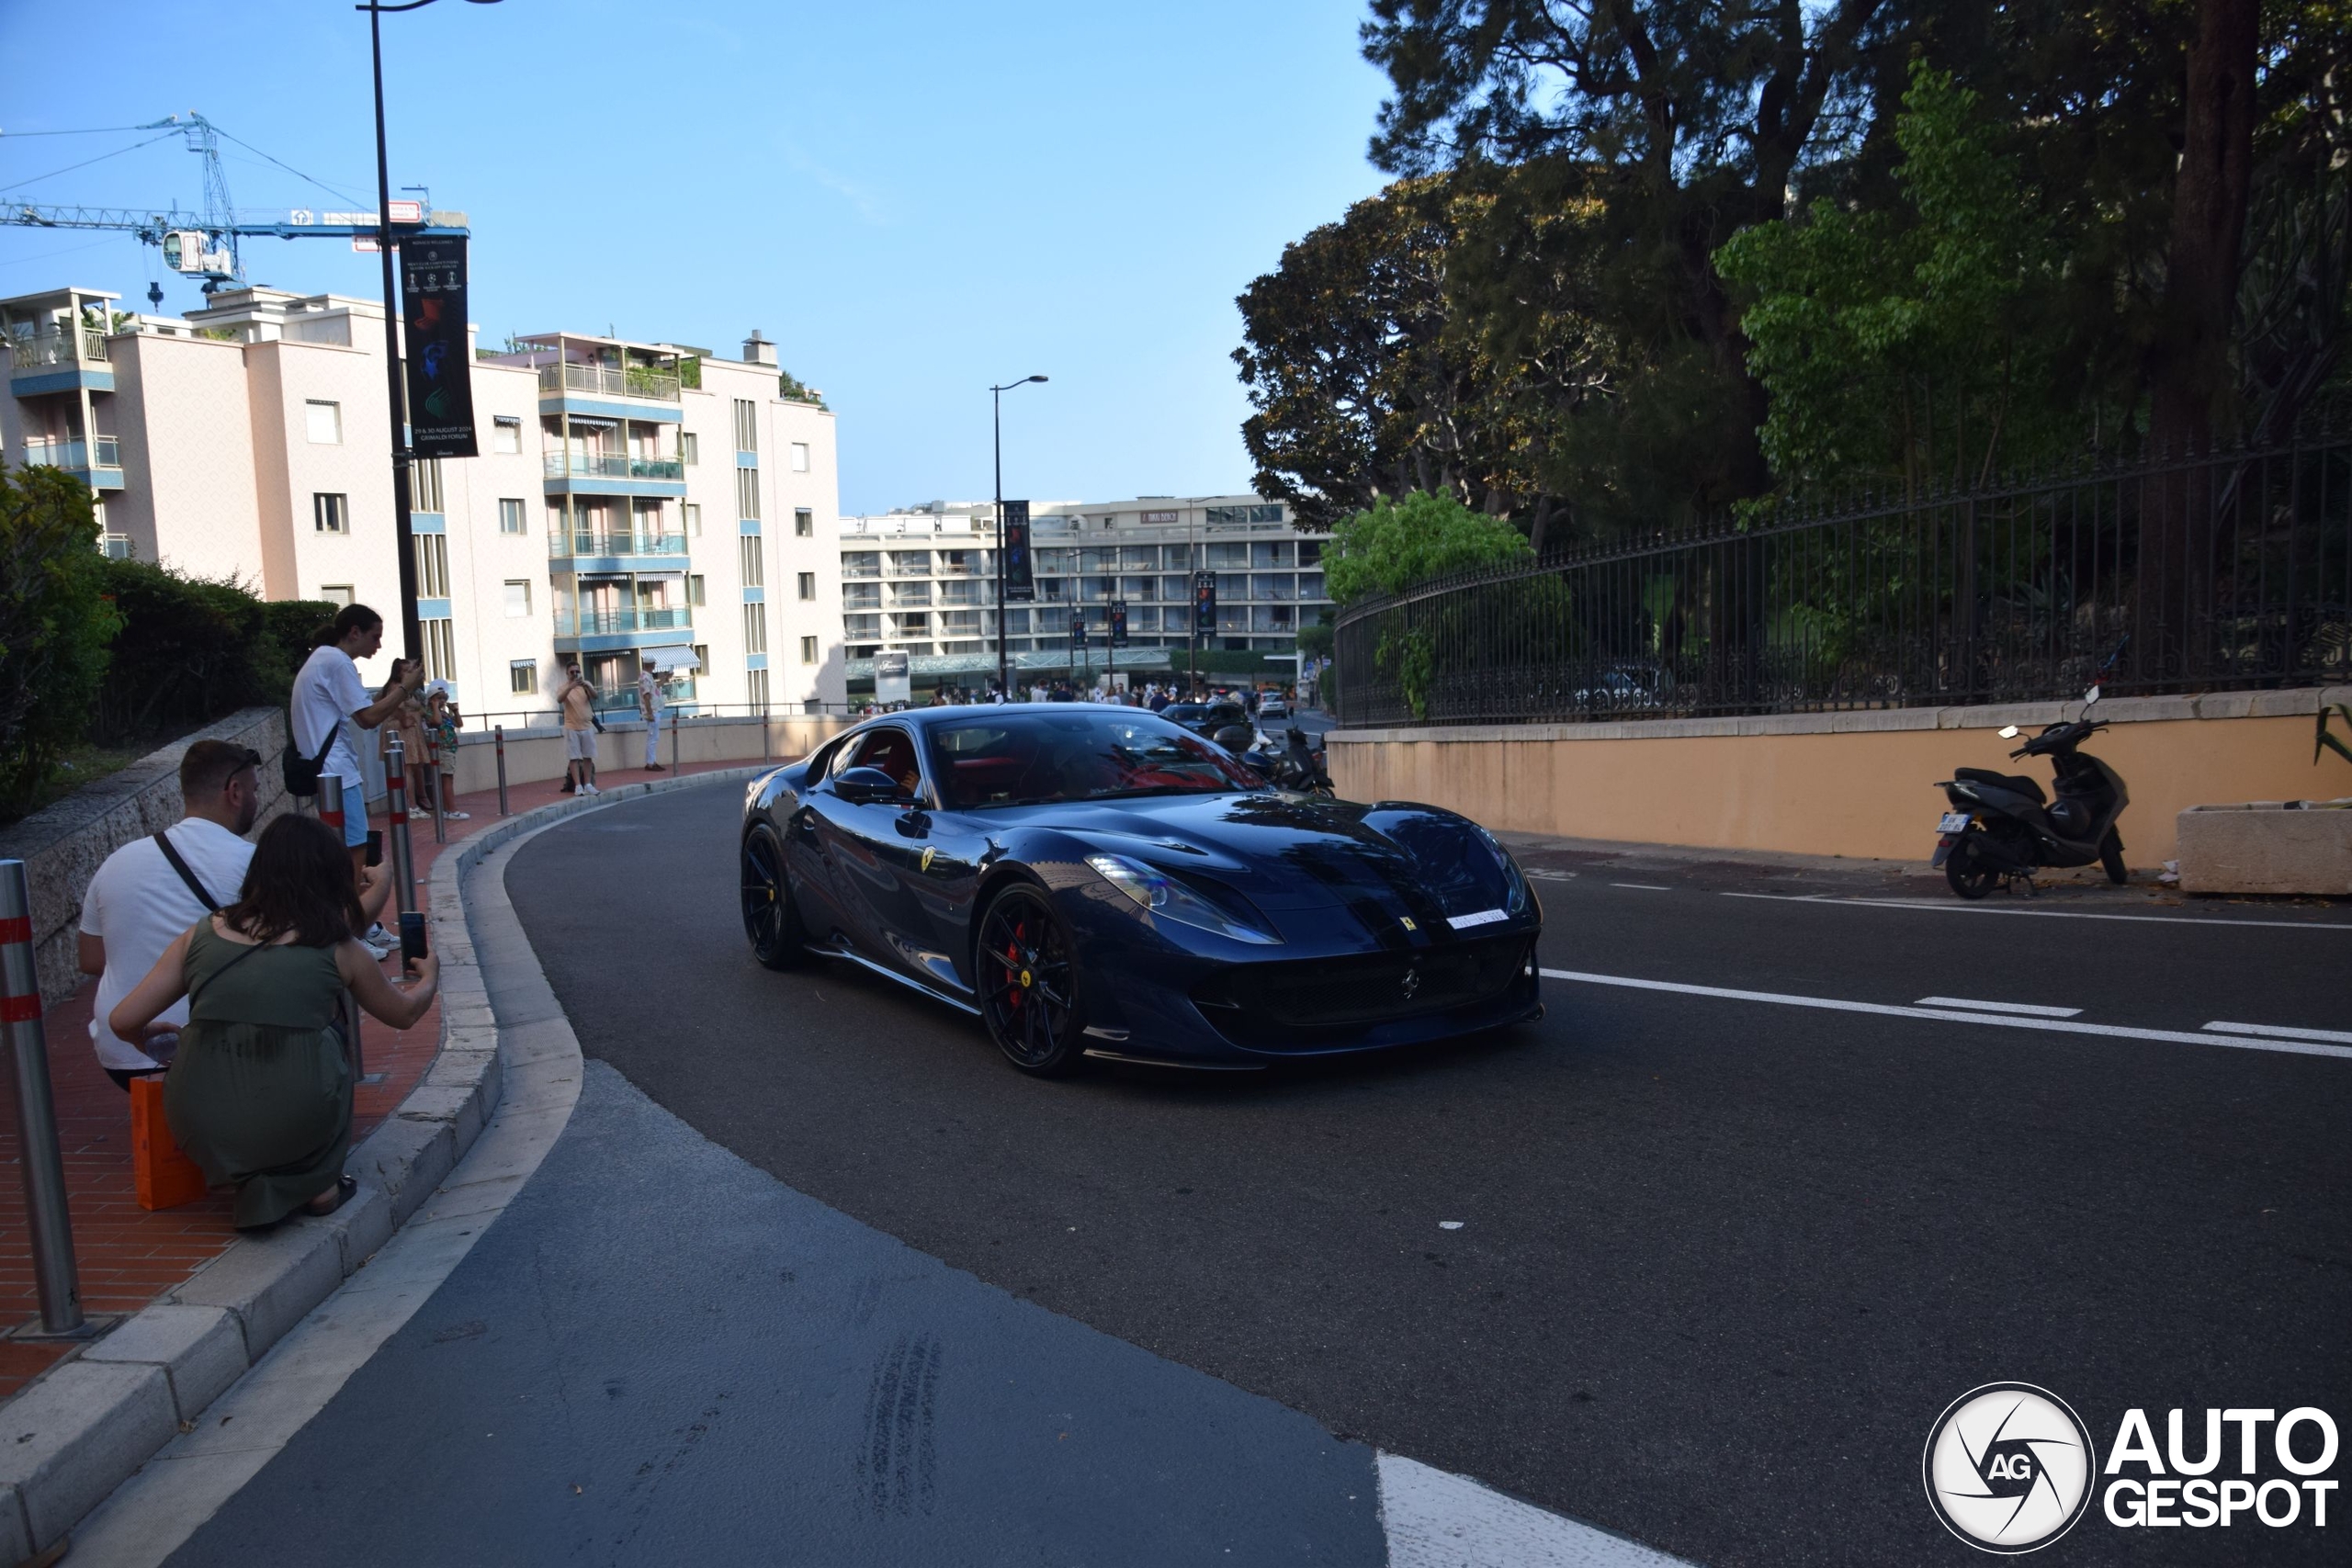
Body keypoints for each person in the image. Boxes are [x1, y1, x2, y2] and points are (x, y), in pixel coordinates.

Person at [109, 814, 437, 1229]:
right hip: (296, 1118)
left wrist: (147, 1039)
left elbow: (122, 1020)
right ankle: (319, 1183)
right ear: (329, 877)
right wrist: (430, 978)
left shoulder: (201, 933)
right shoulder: (338, 947)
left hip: (198, 1123)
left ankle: (240, 1175)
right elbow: (404, 1015)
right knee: (331, 1038)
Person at [77, 739, 392, 1089]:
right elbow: (331, 932)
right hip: (213, 1048)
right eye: (255, 790)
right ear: (235, 791)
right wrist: (380, 885)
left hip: (122, 1053)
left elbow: (91, 959)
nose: (257, 801)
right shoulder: (256, 865)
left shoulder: (117, 861)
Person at [292, 604, 420, 952]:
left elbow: (361, 711)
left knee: (348, 853)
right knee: (354, 858)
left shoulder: (321, 659)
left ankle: (363, 926)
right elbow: (368, 718)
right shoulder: (336, 662)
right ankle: (350, 934)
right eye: (374, 636)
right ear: (353, 632)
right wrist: (406, 689)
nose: (378, 645)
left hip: (327, 772)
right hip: (338, 773)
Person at [379, 660, 430, 815]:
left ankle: (415, 802)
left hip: (409, 729)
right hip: (402, 729)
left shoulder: (406, 688)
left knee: (412, 767)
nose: (410, 673)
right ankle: (411, 806)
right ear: (398, 672)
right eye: (406, 671)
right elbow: (394, 706)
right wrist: (403, 719)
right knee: (406, 767)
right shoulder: (397, 688)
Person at [424, 682, 469, 818]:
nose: (442, 701)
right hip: (442, 750)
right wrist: (434, 706)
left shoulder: (444, 713)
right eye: (438, 698)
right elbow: (436, 722)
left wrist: (455, 711)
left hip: (449, 749)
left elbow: (459, 724)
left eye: (444, 698)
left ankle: (446, 809)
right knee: (446, 779)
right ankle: (452, 810)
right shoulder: (431, 713)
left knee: (447, 779)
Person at [558, 662, 600, 795]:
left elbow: (595, 696)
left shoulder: (585, 685)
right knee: (574, 757)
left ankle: (587, 784)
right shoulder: (563, 688)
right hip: (572, 727)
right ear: (567, 673)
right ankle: (578, 786)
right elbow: (559, 699)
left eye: (577, 671)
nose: (575, 674)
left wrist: (586, 685)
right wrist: (570, 687)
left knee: (588, 756)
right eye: (572, 672)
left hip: (587, 726)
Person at [638, 660, 666, 772]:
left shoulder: (648, 677)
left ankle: (652, 761)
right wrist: (650, 713)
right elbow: (646, 696)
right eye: (654, 663)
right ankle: (650, 763)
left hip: (654, 710)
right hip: (652, 711)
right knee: (653, 737)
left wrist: (664, 679)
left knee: (653, 737)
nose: (655, 665)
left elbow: (654, 688)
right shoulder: (645, 678)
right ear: (650, 665)